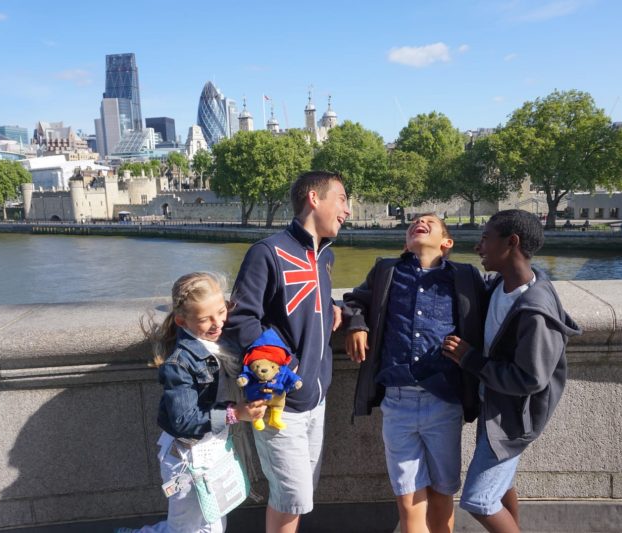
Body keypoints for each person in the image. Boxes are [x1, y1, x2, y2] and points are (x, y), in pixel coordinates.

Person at [222, 170, 351, 533]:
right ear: (314, 198)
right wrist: (285, 368)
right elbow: (242, 320)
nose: (348, 210)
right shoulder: (267, 252)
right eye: (341, 199)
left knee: (298, 497)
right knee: (290, 498)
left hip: (316, 398)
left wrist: (337, 309)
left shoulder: (325, 256)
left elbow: (307, 304)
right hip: (281, 401)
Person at [342, 213, 486, 533]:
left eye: (429, 223)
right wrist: (356, 325)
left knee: (442, 493)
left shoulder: (464, 276)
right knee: (407, 500)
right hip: (397, 403)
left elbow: (497, 303)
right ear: (405, 242)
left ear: (446, 243)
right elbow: (355, 301)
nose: (419, 223)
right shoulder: (387, 271)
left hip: (444, 402)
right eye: (414, 223)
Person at [442, 210, 581, 533]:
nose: (479, 247)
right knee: (502, 486)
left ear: (511, 242)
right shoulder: (499, 287)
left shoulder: (535, 311)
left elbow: (530, 379)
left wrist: (470, 360)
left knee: (478, 499)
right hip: (494, 406)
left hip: (511, 419)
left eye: (486, 238)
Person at [120, 272, 267, 533]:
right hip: (185, 460)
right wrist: (235, 413)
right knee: (187, 528)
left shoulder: (219, 343)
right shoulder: (178, 362)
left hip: (212, 451)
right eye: (205, 319)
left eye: (221, 311)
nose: (217, 323)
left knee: (213, 524)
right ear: (181, 321)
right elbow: (182, 420)